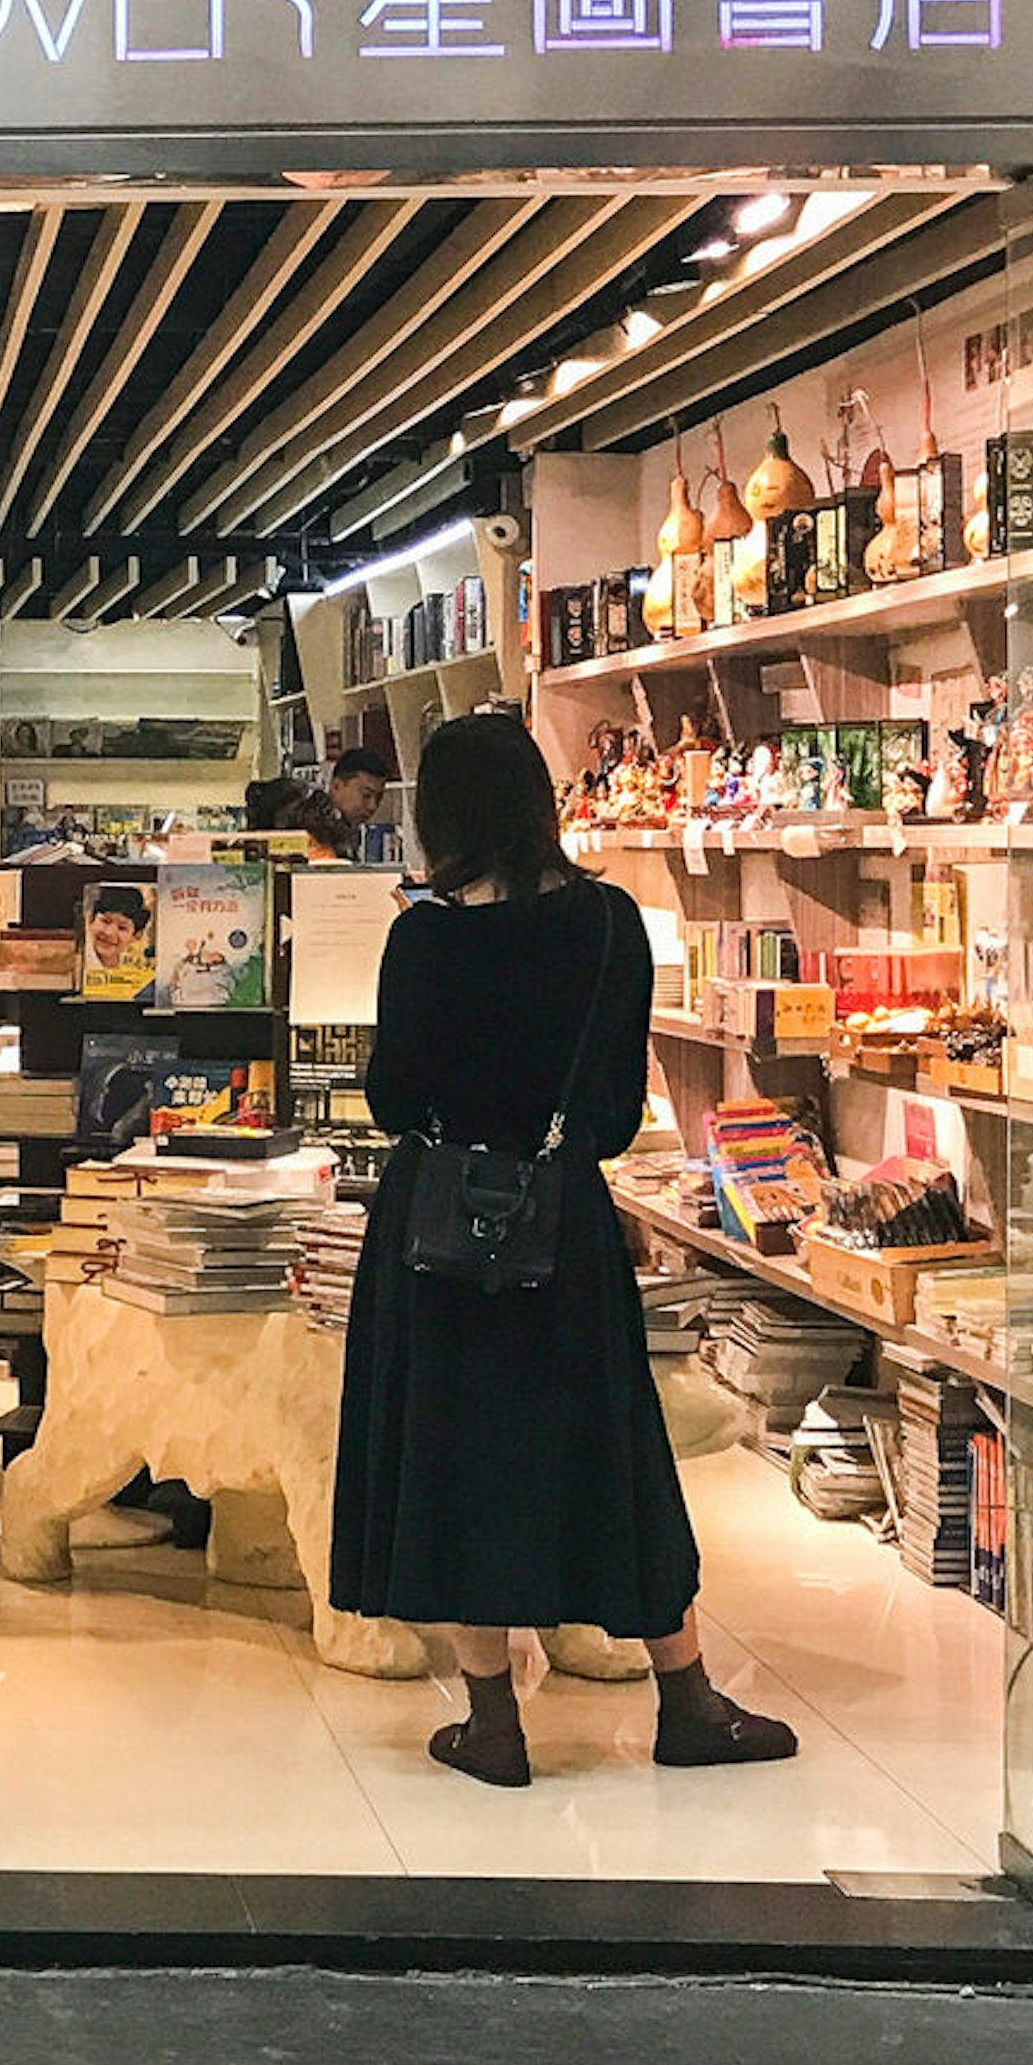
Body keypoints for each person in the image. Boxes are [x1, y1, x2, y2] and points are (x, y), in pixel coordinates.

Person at [329, 711, 797, 1788]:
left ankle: (493, 1723)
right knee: (611, 1450)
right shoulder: (609, 926)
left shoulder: (425, 935)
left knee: (454, 1461)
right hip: (565, 1229)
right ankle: (686, 1698)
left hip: (437, 1233)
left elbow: (395, 1096)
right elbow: (615, 1114)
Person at [250, 747, 392, 858]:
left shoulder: (348, 828)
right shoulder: (308, 817)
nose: (372, 806)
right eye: (366, 795)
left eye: (379, 797)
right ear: (336, 786)